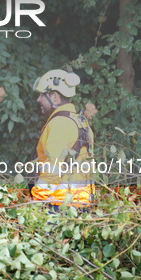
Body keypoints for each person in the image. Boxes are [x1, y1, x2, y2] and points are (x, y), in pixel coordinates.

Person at [31, 69, 94, 209]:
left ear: (54, 97)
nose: (38, 99)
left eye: (42, 94)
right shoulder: (82, 123)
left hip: (58, 205)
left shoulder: (58, 124)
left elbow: (52, 171)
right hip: (81, 205)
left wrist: (35, 205)